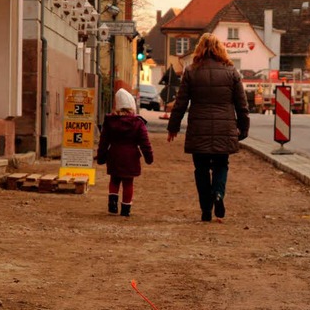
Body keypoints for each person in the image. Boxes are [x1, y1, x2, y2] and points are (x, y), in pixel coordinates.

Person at [167, 33, 250, 222]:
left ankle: (206, 209)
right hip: (224, 129)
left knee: (201, 169)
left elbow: (180, 103)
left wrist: (173, 127)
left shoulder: (191, 71)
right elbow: (242, 104)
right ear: (220, 49)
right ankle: (218, 194)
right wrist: (243, 128)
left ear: (199, 49)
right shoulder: (231, 72)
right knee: (222, 165)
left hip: (199, 129)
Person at [97, 88, 154, 217]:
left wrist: (101, 157)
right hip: (131, 157)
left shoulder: (110, 121)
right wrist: (149, 157)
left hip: (114, 155)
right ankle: (126, 209)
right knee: (128, 183)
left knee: (114, 180)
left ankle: (112, 205)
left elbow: (104, 141)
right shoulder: (138, 123)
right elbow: (145, 143)